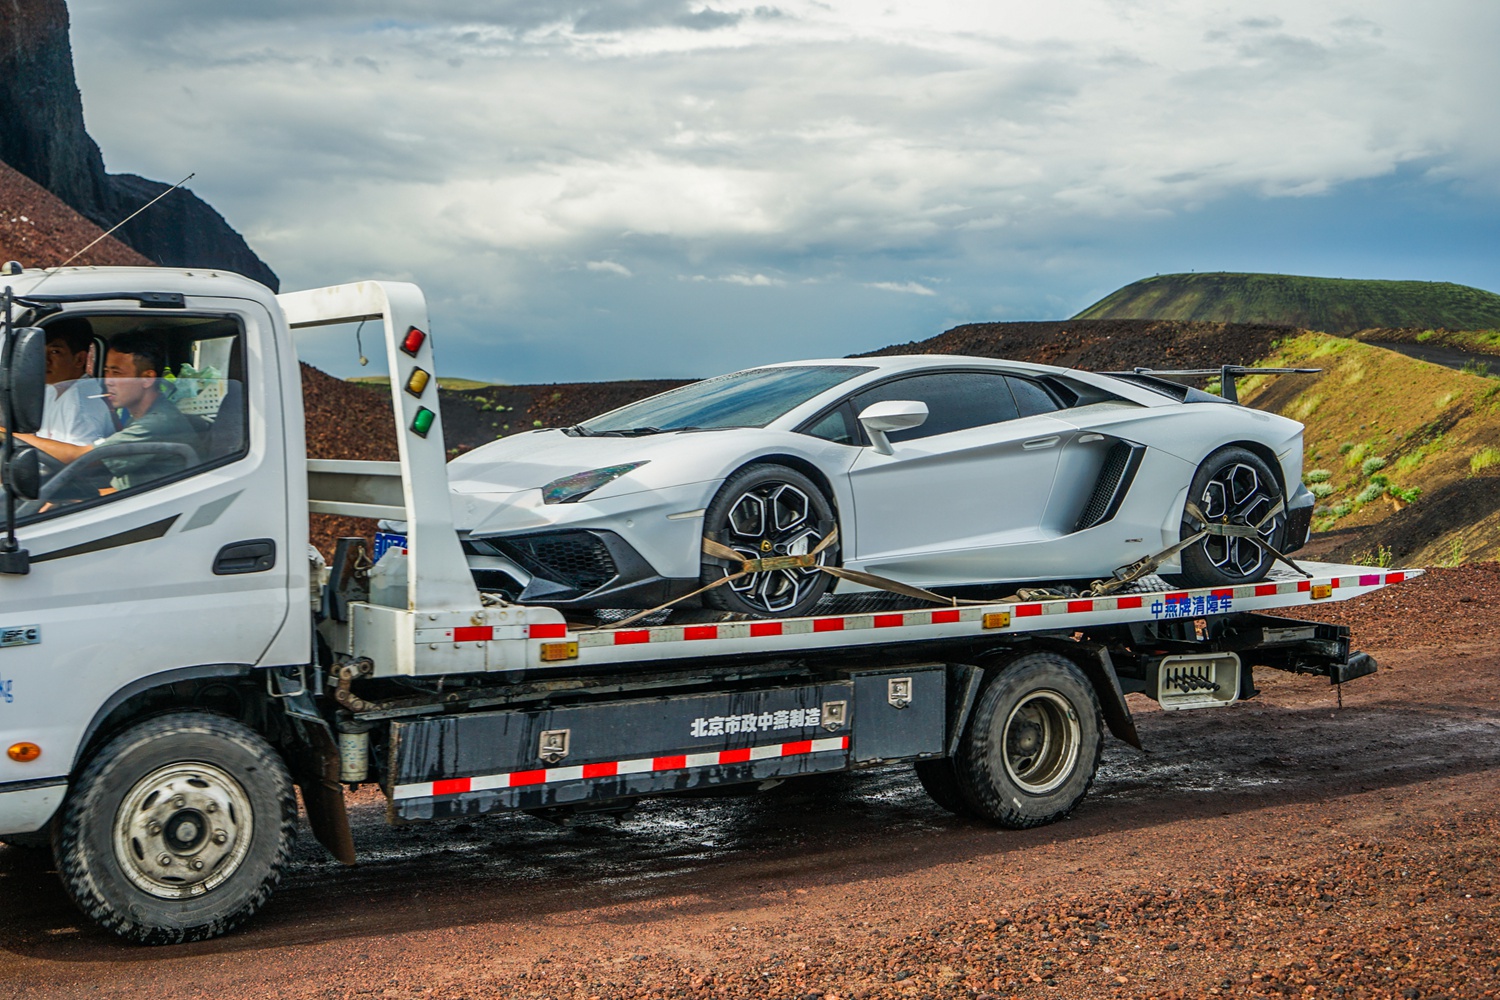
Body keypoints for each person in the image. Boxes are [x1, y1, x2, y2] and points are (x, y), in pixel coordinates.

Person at [18, 331, 201, 493]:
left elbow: (82, 458)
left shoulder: (159, 423)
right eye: (106, 372)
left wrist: (9, 436)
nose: (108, 381)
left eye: (117, 373)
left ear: (146, 379)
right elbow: (121, 486)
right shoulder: (140, 417)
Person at [37, 318, 116, 447]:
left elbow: (81, 462)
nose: (45, 360)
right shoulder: (52, 389)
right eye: (39, 351)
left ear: (80, 359)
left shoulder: (83, 403)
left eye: (55, 352)